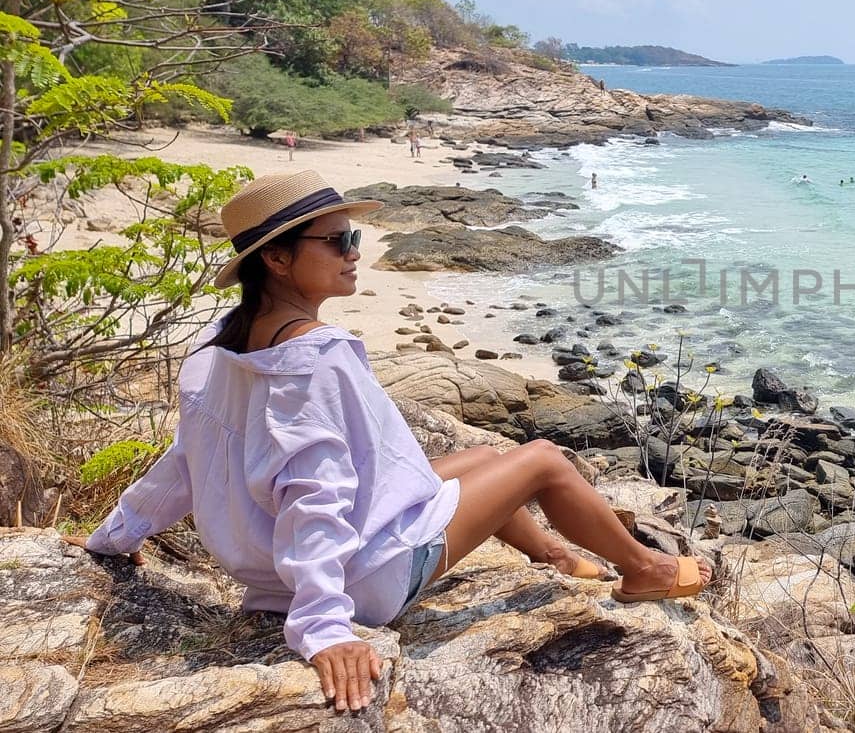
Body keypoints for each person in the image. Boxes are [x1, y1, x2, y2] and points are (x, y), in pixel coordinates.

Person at [67, 171, 712, 715]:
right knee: (541, 459)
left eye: (355, 236)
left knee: (485, 461)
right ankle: (644, 570)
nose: (355, 250)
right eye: (339, 239)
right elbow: (312, 493)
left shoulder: (220, 347)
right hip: (366, 579)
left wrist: (113, 537)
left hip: (268, 569)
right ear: (278, 257)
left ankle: (558, 558)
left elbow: (186, 461)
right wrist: (324, 629)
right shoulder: (314, 361)